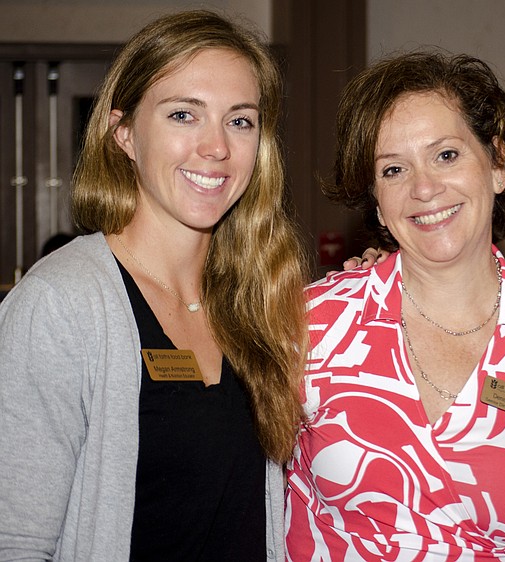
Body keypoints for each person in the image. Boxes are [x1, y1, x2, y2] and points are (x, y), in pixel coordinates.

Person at [0, 10, 307, 561]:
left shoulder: (258, 300)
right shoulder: (61, 304)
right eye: (184, 115)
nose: (216, 147)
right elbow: (15, 541)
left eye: (240, 121)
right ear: (125, 134)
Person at [285, 51, 505, 561]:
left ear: (497, 164)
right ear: (376, 199)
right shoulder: (313, 325)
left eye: (446, 155)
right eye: (394, 169)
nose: (424, 188)